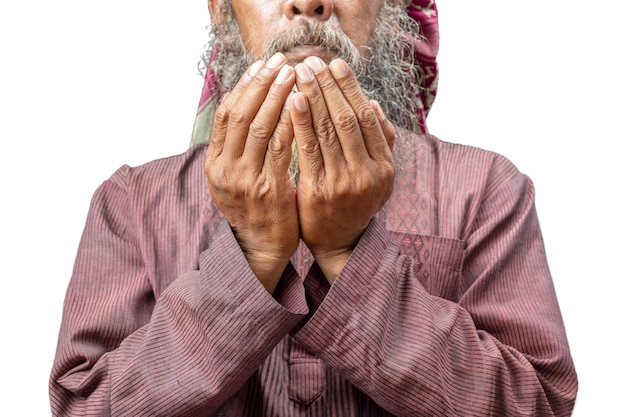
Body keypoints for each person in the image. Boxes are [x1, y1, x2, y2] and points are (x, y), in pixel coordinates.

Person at [49, 0, 578, 415]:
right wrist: (254, 258)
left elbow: (540, 402)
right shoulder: (131, 202)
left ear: (392, 7)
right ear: (219, 8)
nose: (309, 4)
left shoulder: (484, 188)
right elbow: (83, 405)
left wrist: (346, 253)